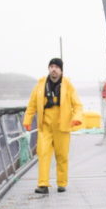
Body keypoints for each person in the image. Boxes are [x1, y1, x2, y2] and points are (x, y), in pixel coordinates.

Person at [23, 58, 83, 194]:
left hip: (62, 126)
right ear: (48, 69)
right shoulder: (40, 85)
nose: (53, 69)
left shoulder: (68, 85)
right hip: (45, 126)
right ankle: (42, 184)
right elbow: (32, 105)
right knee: (43, 153)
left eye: (56, 67)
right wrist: (27, 120)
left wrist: (77, 118)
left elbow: (77, 105)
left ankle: (62, 183)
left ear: (61, 70)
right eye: (51, 66)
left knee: (62, 156)